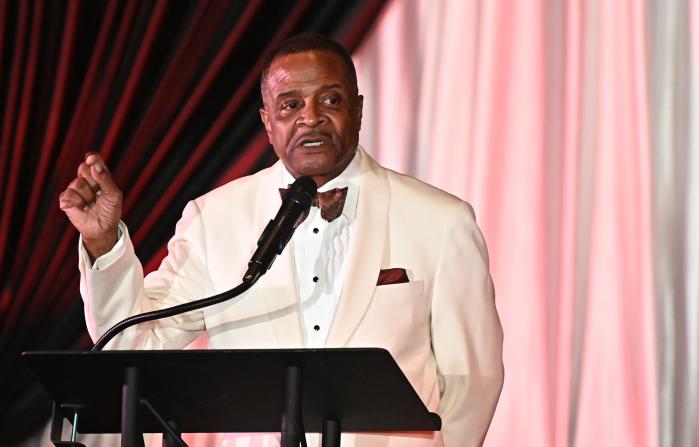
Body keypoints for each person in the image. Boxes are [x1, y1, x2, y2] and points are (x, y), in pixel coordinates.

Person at [60, 33, 503, 447]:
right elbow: (131, 345)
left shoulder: (440, 221)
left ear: (359, 109)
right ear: (266, 121)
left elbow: (472, 378)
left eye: (330, 99)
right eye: (290, 105)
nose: (311, 117)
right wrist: (104, 245)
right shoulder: (214, 219)